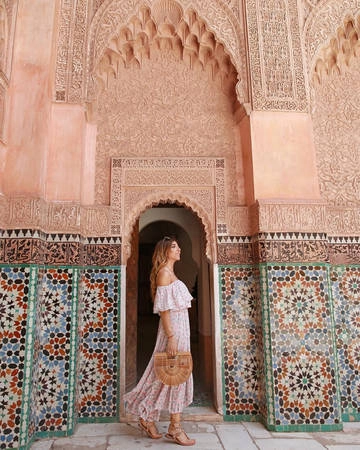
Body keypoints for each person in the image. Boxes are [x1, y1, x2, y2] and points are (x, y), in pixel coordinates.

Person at [124, 236, 196, 446]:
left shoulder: (171, 273)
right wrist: (171, 337)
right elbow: (164, 310)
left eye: (178, 246)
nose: (179, 249)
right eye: (174, 247)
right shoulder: (164, 274)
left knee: (171, 374)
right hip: (173, 330)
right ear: (165, 251)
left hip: (180, 327)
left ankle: (149, 418)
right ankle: (174, 427)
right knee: (172, 373)